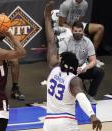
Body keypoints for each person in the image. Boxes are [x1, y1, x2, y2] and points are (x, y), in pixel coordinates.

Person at [43, 1, 102, 131]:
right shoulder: (74, 79)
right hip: (66, 122)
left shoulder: (53, 67)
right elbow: (81, 97)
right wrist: (92, 115)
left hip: (48, 123)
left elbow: (50, 41)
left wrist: (47, 16)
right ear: (75, 68)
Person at [59, 21, 104, 103]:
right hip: (69, 70)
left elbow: (93, 60)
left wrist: (86, 67)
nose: (78, 33)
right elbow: (60, 59)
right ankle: (70, 96)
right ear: (72, 31)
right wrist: (71, 68)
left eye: (80, 31)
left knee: (99, 72)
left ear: (83, 31)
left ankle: (90, 96)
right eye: (75, 31)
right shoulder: (66, 41)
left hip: (82, 69)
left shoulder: (87, 42)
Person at [58, 0, 105, 66]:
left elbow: (79, 21)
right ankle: (78, 60)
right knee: (78, 35)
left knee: (100, 28)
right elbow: (61, 23)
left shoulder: (85, 4)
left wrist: (80, 30)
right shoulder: (66, 4)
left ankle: (91, 57)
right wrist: (76, 31)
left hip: (76, 25)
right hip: (65, 27)